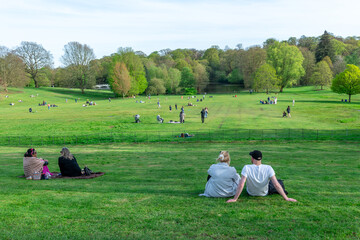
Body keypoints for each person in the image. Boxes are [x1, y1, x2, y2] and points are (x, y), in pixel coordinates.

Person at [227, 150, 297, 203]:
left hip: (251, 193)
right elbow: (276, 185)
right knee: (278, 182)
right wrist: (286, 198)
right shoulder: (268, 168)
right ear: (261, 159)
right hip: (264, 193)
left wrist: (235, 199)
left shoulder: (246, 167)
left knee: (275, 182)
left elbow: (241, 184)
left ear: (252, 158)